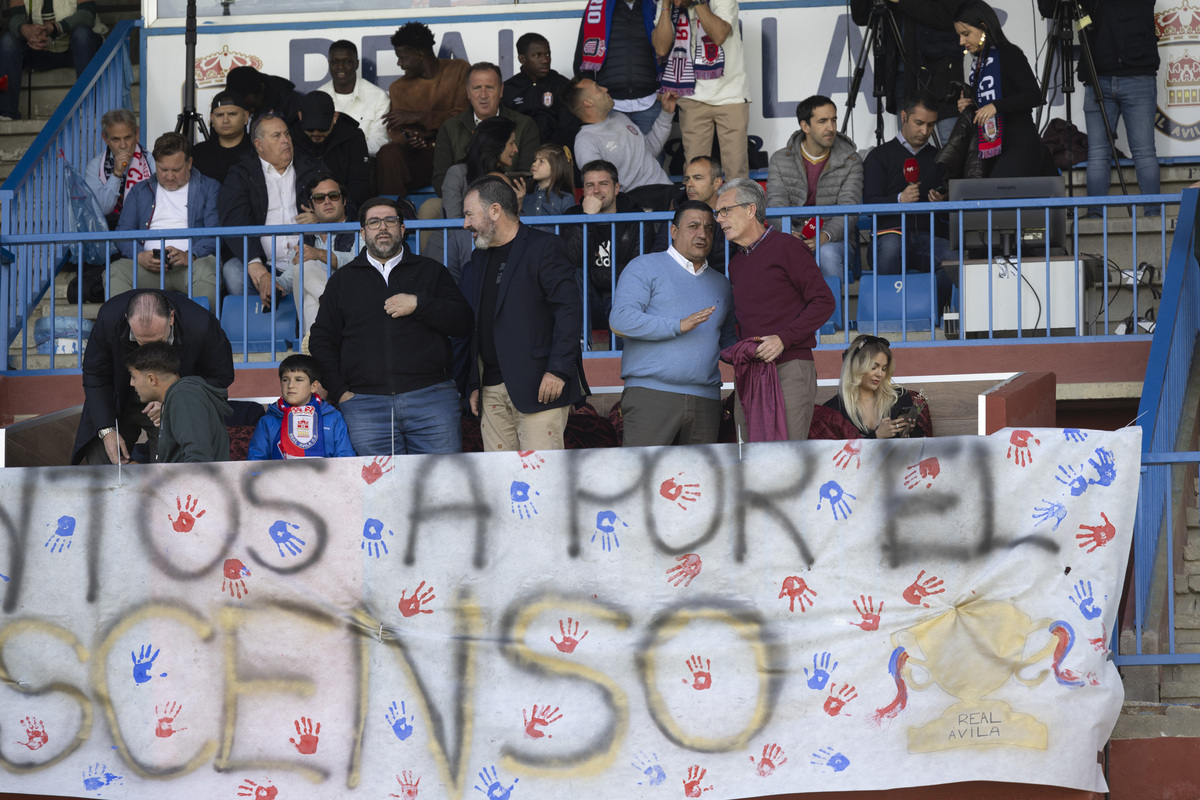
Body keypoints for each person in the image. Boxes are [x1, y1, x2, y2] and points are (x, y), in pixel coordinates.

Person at [309, 198, 473, 456]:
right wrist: (340, 391)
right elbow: (321, 339)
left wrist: (421, 304)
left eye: (390, 221)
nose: (382, 227)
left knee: (442, 489)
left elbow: (463, 321)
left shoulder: (431, 272)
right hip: (365, 406)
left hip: (432, 399)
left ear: (402, 229)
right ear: (363, 232)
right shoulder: (342, 281)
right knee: (379, 492)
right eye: (374, 222)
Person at [461, 175, 587, 451]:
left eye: (469, 214)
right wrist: (474, 383)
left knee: (541, 481)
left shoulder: (544, 247)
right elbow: (477, 324)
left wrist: (558, 370)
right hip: (490, 389)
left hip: (540, 386)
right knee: (501, 484)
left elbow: (568, 312)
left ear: (494, 211)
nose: (465, 223)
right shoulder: (479, 257)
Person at [716, 177, 835, 441]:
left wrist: (783, 339)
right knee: (749, 456)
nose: (719, 219)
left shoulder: (788, 247)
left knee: (786, 458)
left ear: (750, 210)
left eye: (726, 210)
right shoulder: (735, 264)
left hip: (790, 367)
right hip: (750, 371)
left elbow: (824, 302)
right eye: (717, 212)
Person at [609, 200, 736, 446]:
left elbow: (726, 341)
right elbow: (620, 320)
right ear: (674, 231)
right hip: (651, 395)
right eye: (693, 226)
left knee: (698, 483)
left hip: (706, 400)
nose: (702, 233)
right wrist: (678, 325)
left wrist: (752, 351)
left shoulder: (722, 284)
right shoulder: (644, 267)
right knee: (643, 481)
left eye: (709, 228)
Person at [72, 289, 234, 465]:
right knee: (103, 468)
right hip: (116, 401)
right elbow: (95, 374)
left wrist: (172, 400)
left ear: (171, 318)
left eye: (158, 341)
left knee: (169, 472)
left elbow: (221, 376)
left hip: (170, 406)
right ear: (127, 319)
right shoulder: (109, 317)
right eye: (142, 341)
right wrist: (107, 429)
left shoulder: (202, 325)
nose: (149, 352)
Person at [1054, 0, 1160, 215]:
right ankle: (1148, 213)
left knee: (1125, 153)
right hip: (1105, 74)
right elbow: (1050, 9)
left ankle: (1149, 213)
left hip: (1121, 71)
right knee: (1128, 153)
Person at [218, 112, 329, 307]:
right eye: (277, 136)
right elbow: (234, 220)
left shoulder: (312, 168)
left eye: (287, 134)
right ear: (259, 145)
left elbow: (343, 204)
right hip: (264, 263)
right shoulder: (242, 174)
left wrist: (320, 218)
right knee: (233, 272)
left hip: (307, 258)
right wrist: (259, 271)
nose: (286, 140)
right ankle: (258, 327)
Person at [861, 91, 953, 308]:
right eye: (919, 123)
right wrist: (899, 199)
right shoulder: (879, 156)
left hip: (927, 237)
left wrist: (942, 202)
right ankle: (888, 317)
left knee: (954, 257)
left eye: (931, 125)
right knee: (893, 245)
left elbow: (950, 210)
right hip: (887, 237)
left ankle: (928, 314)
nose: (925, 131)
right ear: (904, 117)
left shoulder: (939, 158)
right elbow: (868, 204)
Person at [110, 132, 221, 310]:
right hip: (147, 268)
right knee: (116, 271)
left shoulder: (210, 188)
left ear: (190, 163)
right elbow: (123, 233)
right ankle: (121, 336)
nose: (169, 176)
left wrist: (190, 255)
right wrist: (139, 256)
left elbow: (215, 234)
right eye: (163, 170)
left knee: (206, 270)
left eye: (176, 170)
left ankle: (203, 335)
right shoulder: (140, 190)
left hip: (190, 267)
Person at [766, 95, 863, 280]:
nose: (831, 127)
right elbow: (776, 206)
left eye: (833, 120)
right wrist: (789, 234)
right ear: (805, 126)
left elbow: (849, 209)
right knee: (774, 256)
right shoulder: (780, 159)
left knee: (826, 254)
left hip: (835, 240)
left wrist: (824, 236)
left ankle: (832, 310)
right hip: (792, 236)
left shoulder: (852, 161)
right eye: (822, 121)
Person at [651, 0, 751, 179]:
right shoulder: (667, 3)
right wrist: (666, 5)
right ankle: (699, 208)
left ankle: (735, 207)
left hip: (730, 95)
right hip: (692, 95)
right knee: (696, 173)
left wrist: (696, 2)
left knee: (736, 171)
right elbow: (661, 47)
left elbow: (719, 35)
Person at [375, 21, 470, 196]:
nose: (399, 63)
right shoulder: (398, 87)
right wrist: (410, 141)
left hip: (454, 154)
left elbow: (463, 117)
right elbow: (395, 130)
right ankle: (394, 212)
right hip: (421, 158)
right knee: (388, 153)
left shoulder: (459, 69)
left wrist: (419, 116)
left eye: (402, 57)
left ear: (419, 54)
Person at [954, 0, 1045, 179]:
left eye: (966, 34)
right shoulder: (977, 64)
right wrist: (970, 106)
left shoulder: (1009, 53)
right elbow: (986, 106)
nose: (961, 41)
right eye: (959, 35)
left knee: (1000, 194)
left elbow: (1034, 95)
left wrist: (996, 106)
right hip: (990, 142)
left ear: (984, 27)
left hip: (1019, 140)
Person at [850, 0, 962, 145]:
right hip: (902, 76)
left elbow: (950, 14)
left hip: (941, 73)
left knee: (952, 145)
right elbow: (861, 17)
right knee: (909, 146)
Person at [562, 160, 654, 326]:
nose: (596, 190)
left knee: (623, 297)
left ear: (616, 188)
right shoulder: (572, 217)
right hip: (586, 302)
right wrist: (587, 219)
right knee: (575, 276)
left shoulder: (637, 218)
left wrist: (590, 273)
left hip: (623, 299)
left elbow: (637, 271)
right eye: (590, 185)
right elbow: (570, 264)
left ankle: (623, 353)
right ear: (583, 190)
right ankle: (583, 346)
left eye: (603, 184)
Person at [431, 62, 539, 199]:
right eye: (476, 88)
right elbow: (440, 180)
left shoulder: (524, 125)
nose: (483, 95)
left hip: (510, 201)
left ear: (501, 90)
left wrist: (494, 198)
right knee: (428, 209)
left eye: (489, 87)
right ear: (468, 92)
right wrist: (474, 202)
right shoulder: (450, 128)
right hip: (462, 202)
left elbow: (528, 177)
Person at [565, 76, 677, 207]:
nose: (605, 89)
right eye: (597, 88)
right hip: (637, 202)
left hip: (667, 189)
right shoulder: (585, 141)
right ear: (588, 102)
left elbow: (649, 150)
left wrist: (666, 113)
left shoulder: (620, 117)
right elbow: (598, 186)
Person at [125, 341, 232, 463]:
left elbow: (198, 460)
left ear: (151, 379)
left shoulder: (183, 396)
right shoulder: (179, 396)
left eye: (133, 377)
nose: (131, 383)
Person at [0, 0, 105, 120]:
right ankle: (7, 113)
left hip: (76, 49)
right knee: (8, 42)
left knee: (82, 34)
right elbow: (15, 19)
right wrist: (26, 30)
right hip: (41, 49)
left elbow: (87, 15)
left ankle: (90, 108)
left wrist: (55, 27)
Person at [573, 0, 663, 135]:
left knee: (652, 155)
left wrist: (664, 89)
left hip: (650, 102)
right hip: (610, 104)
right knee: (610, 155)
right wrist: (596, 98)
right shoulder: (597, 7)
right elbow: (582, 63)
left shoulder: (657, 5)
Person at [248, 354, 356, 460]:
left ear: (313, 386)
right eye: (285, 380)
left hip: (325, 477)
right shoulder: (267, 421)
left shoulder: (333, 418)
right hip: (280, 477)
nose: (290, 385)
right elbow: (256, 461)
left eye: (298, 380)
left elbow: (345, 458)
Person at [823, 334, 927, 439]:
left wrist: (909, 432)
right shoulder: (833, 410)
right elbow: (835, 452)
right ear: (855, 367)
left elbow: (919, 443)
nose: (879, 374)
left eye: (884, 368)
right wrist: (877, 436)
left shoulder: (898, 397)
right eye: (873, 367)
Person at [291, 173, 355, 340]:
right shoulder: (306, 237)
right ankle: (330, 303)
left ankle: (316, 344)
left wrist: (319, 254)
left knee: (310, 301)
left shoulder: (359, 229)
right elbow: (292, 275)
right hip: (342, 312)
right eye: (319, 198)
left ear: (344, 201)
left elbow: (356, 262)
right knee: (301, 265)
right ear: (311, 205)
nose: (327, 202)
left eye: (333, 196)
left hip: (351, 297)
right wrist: (275, 285)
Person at [290, 90, 372, 207]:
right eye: (310, 129)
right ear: (300, 117)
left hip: (342, 211)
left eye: (323, 128)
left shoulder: (352, 136)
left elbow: (359, 185)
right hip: (300, 210)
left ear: (335, 117)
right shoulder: (288, 135)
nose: (316, 133)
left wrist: (329, 214)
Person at [652, 155, 728, 273]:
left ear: (717, 182)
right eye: (687, 179)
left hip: (721, 285)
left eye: (697, 178)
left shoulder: (730, 215)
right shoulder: (674, 215)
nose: (690, 184)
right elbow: (658, 255)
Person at [503, 32, 580, 148]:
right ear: (522, 59)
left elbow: (569, 128)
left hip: (556, 154)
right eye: (537, 55)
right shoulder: (509, 88)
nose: (545, 60)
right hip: (518, 152)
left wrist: (548, 153)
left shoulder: (562, 85)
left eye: (547, 54)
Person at [317, 39, 391, 157]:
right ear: (329, 64)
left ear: (357, 64)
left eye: (347, 61)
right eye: (335, 62)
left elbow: (379, 141)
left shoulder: (378, 97)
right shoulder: (318, 97)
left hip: (365, 164)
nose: (340, 67)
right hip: (327, 166)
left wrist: (346, 153)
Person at [85, 109, 153, 229]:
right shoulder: (95, 166)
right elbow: (102, 209)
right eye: (116, 139)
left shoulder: (151, 160)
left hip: (144, 230)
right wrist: (116, 174)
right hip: (108, 235)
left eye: (127, 138)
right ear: (105, 139)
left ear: (136, 134)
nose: (123, 146)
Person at [441, 115, 521, 218]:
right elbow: (452, 225)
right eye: (511, 143)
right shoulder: (457, 173)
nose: (515, 149)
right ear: (496, 144)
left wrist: (517, 205)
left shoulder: (503, 178)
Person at [192, 91, 254, 184]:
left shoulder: (258, 150)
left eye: (232, 114)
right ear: (212, 119)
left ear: (245, 117)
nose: (225, 120)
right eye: (219, 115)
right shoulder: (197, 153)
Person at [225, 65, 303, 124]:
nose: (251, 110)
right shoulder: (225, 106)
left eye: (253, 105)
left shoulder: (291, 103)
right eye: (246, 107)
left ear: (262, 87)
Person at [522, 143, 575, 218]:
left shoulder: (566, 198)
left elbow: (570, 228)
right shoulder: (525, 195)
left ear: (556, 167)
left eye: (541, 161)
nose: (534, 164)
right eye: (535, 160)